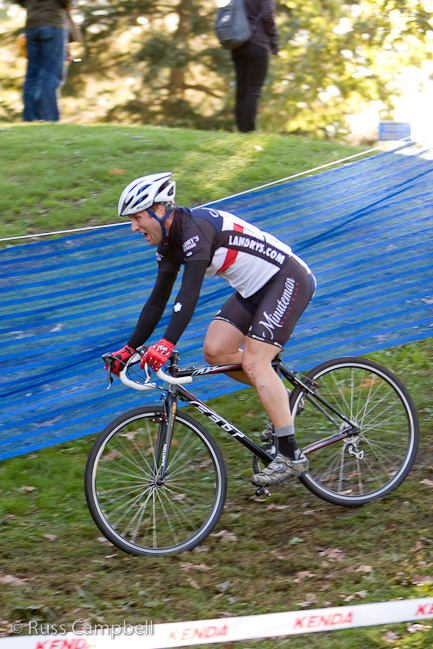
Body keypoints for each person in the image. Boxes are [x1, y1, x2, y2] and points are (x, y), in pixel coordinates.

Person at [107, 173, 316, 487]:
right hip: (253, 291)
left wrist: (167, 343)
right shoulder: (169, 242)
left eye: (137, 218)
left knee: (256, 361)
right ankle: (284, 400)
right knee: (216, 351)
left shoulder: (196, 230)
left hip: (287, 279)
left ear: (159, 211)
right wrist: (129, 348)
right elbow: (158, 299)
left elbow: (188, 293)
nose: (133, 227)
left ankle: (290, 455)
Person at [17, 0, 70, 122]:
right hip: (53, 24)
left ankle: (30, 119)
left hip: (32, 26)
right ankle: (49, 118)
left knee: (32, 75)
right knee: (51, 73)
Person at [231, 0, 279, 132]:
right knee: (253, 89)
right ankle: (248, 130)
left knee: (241, 89)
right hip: (258, 43)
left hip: (238, 44)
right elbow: (268, 15)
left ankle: (241, 128)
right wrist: (274, 41)